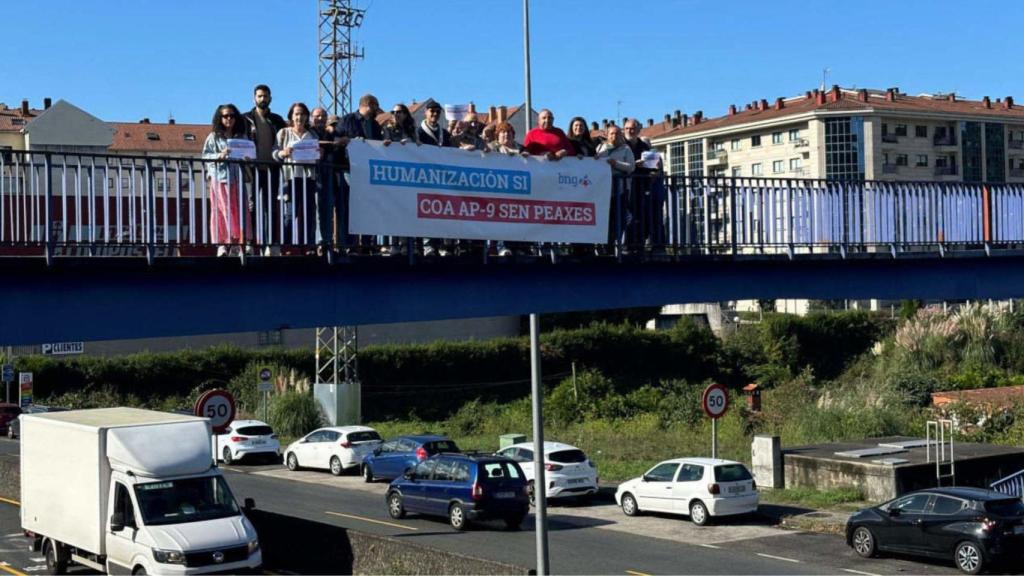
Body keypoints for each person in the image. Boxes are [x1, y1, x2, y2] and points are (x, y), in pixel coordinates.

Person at [243, 85, 287, 249]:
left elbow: (286, 139)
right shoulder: (245, 119)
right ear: (254, 98)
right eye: (260, 96)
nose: (263, 99)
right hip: (252, 169)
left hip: (272, 168)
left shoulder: (277, 120)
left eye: (265, 96)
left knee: (271, 207)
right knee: (252, 206)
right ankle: (250, 241)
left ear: (270, 98)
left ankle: (271, 242)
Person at [201, 104, 248, 256]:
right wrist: (219, 155)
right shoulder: (214, 136)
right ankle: (222, 244)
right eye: (226, 116)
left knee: (239, 211)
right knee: (221, 211)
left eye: (232, 116)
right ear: (219, 118)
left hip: (238, 178)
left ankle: (236, 243)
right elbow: (205, 156)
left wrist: (247, 157)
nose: (229, 119)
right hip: (220, 179)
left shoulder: (241, 136)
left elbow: (249, 153)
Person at [273, 102, 320, 252]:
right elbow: (274, 153)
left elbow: (316, 155)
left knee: (309, 214)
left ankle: (308, 246)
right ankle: (286, 247)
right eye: (296, 114)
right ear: (291, 116)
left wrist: (319, 154)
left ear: (307, 117)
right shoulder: (284, 133)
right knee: (290, 213)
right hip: (290, 178)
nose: (299, 117)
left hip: (309, 178)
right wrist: (283, 153)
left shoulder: (312, 134)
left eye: (302, 114)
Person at [417, 102, 454, 256]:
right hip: (425, 177)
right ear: (426, 112)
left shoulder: (444, 133)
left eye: (438, 112)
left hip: (441, 179)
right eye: (432, 111)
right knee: (426, 212)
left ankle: (443, 246)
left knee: (442, 212)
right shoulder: (418, 132)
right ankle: (428, 245)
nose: (435, 114)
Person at [623, 118, 665, 250]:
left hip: (641, 188)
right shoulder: (621, 145)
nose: (630, 131)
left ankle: (639, 245)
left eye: (633, 128)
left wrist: (656, 170)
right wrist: (634, 164)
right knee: (627, 218)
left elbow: (652, 167)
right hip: (624, 187)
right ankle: (627, 246)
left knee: (641, 217)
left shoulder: (644, 146)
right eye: (628, 128)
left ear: (638, 130)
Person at [596, 124, 636, 248]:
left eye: (617, 133)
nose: (614, 136)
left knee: (618, 218)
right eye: (612, 133)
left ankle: (615, 244)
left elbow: (631, 167)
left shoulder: (626, 149)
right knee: (605, 218)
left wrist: (616, 164)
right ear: (607, 135)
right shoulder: (600, 147)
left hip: (621, 189)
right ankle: (604, 246)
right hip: (603, 189)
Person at [489, 122, 525, 257]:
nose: (506, 135)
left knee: (516, 219)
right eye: (502, 133)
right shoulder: (492, 148)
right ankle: (499, 246)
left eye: (509, 133)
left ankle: (517, 246)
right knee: (498, 219)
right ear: (497, 136)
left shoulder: (521, 149)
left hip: (517, 191)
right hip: (496, 191)